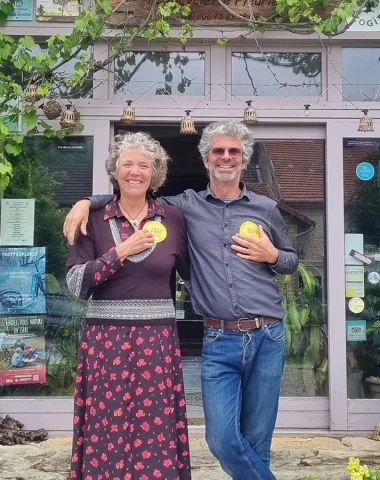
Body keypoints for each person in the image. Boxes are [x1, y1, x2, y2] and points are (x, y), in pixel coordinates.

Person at [64, 121, 299, 480]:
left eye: (233, 151)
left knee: (256, 438)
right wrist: (87, 201)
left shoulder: (262, 208)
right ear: (206, 159)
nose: (225, 157)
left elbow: (291, 260)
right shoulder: (182, 207)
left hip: (266, 334)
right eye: (218, 151)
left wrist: (272, 256)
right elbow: (130, 192)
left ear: (243, 158)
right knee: (221, 438)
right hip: (213, 338)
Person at [65, 131, 191, 480]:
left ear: (156, 173)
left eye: (144, 165)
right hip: (106, 344)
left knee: (156, 430)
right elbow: (76, 285)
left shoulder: (173, 218)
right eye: (127, 164)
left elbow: (196, 274)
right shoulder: (92, 217)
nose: (135, 171)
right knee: (108, 431)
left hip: (157, 343)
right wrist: (121, 251)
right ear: (115, 170)